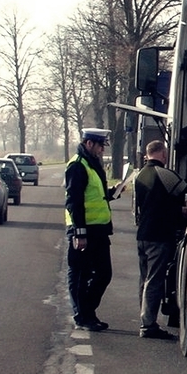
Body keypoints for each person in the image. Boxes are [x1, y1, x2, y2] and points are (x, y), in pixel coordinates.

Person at [135, 139, 187, 339]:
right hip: (159, 235)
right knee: (154, 280)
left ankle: (144, 318)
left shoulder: (139, 175)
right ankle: (148, 324)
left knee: (144, 279)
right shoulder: (165, 174)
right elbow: (184, 192)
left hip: (142, 234)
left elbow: (147, 204)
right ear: (163, 154)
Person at [65, 128, 115, 331]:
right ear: (89, 144)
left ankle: (87, 311)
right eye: (100, 145)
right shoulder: (78, 166)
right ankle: (83, 315)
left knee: (104, 274)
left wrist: (111, 193)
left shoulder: (92, 164)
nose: (102, 150)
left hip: (99, 230)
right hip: (84, 231)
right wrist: (80, 232)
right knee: (80, 274)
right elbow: (74, 201)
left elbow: (94, 195)